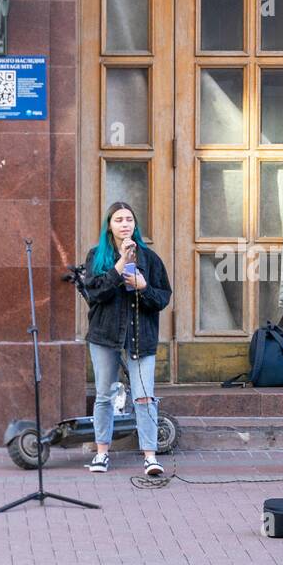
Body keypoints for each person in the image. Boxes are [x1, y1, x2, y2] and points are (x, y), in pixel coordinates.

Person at [82, 202, 172, 477]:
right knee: (104, 396)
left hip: (140, 337)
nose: (125, 224)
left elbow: (162, 298)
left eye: (129, 219)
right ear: (109, 225)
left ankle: (150, 456)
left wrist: (144, 288)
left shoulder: (150, 259)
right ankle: (101, 453)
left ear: (135, 224)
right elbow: (94, 294)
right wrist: (121, 264)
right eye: (118, 219)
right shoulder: (96, 256)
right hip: (105, 337)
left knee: (144, 397)